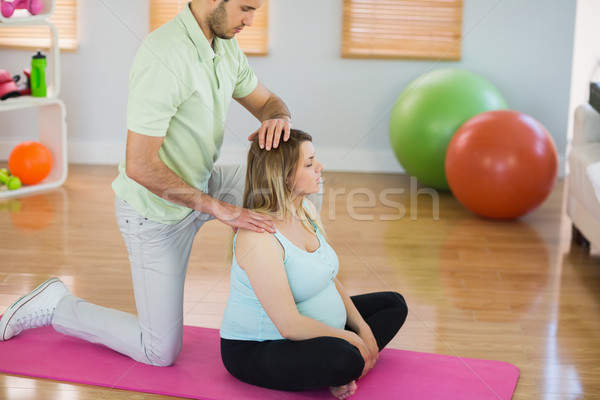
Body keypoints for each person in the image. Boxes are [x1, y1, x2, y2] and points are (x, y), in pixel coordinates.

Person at [0, 0, 318, 368]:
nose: (250, 20)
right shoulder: (164, 55)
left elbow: (268, 102)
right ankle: (57, 303)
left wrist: (278, 117)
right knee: (159, 352)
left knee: (304, 176)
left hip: (202, 183)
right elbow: (139, 166)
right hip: (155, 214)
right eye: (246, 8)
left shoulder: (224, 44)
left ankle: (297, 298)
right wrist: (223, 210)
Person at [220, 129, 408, 400]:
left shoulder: (304, 209)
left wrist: (363, 328)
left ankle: (341, 363)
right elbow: (289, 326)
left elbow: (328, 274)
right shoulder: (258, 237)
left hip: (311, 332)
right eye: (309, 164)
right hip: (260, 347)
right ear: (284, 176)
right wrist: (354, 339)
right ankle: (342, 365)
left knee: (394, 304)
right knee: (346, 359)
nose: (320, 167)